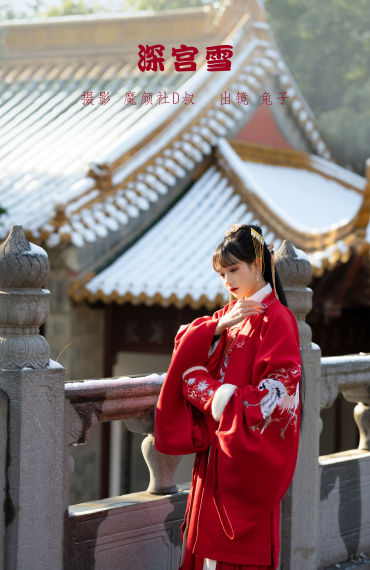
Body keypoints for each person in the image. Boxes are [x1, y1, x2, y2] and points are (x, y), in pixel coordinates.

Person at [155, 224, 302, 570]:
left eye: (233, 270)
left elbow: (278, 396)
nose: (227, 281)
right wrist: (217, 327)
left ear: (258, 265)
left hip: (243, 464)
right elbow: (182, 349)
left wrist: (210, 394)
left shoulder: (277, 320)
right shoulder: (232, 313)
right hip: (213, 461)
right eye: (222, 273)